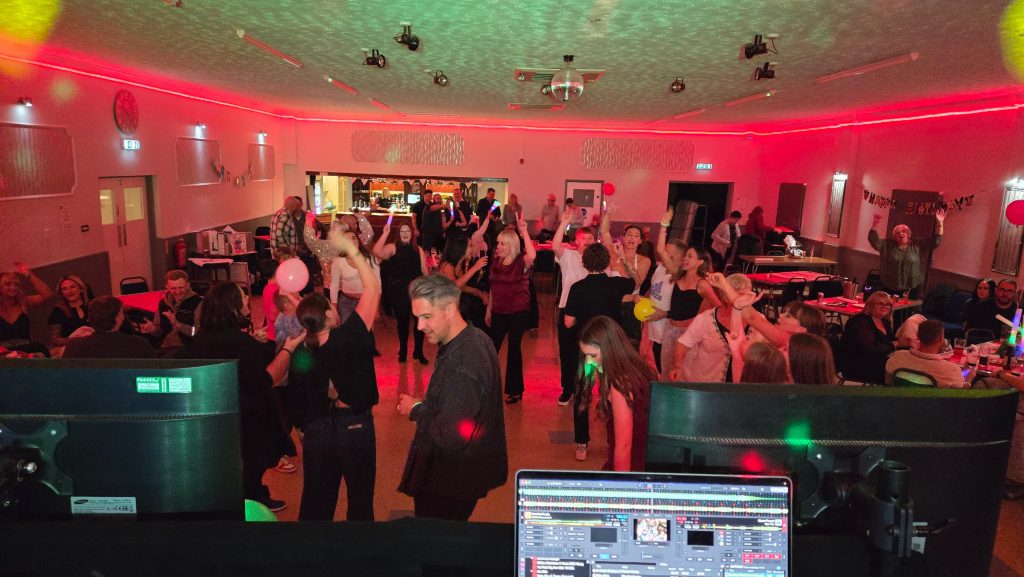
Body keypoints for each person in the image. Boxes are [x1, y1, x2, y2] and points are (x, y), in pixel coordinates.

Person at [178, 282, 300, 512]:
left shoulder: (204, 338)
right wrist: (289, 348)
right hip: (246, 415)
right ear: (233, 306)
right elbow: (267, 379)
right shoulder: (240, 344)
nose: (247, 301)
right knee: (251, 464)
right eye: (244, 297)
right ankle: (253, 500)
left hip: (216, 411)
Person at [398, 274, 508, 520]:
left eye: (427, 317)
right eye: (417, 318)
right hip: (461, 475)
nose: (419, 326)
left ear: (450, 309)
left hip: (448, 481)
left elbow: (453, 433)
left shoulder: (464, 363)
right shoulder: (475, 337)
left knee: (436, 545)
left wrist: (416, 409)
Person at [290, 229, 380, 521]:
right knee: (360, 500)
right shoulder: (351, 336)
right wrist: (353, 252)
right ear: (328, 316)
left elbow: (296, 400)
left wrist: (306, 432)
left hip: (317, 432)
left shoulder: (303, 352)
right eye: (330, 306)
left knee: (317, 501)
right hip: (354, 429)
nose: (333, 306)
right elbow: (373, 290)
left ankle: (314, 558)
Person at [575, 316, 658, 472]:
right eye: (585, 355)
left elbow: (624, 445)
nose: (588, 361)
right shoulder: (633, 366)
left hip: (632, 466)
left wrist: (620, 485)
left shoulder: (620, 383)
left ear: (609, 349)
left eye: (592, 355)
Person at [486, 217, 536, 404]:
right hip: (499, 310)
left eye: (502, 243)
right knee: (492, 348)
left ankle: (515, 390)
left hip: (517, 311)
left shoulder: (520, 261)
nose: (497, 246)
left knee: (514, 349)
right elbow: (493, 287)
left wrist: (524, 231)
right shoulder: (496, 261)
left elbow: (532, 256)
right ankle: (487, 385)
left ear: (511, 245)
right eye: (498, 242)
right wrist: (489, 309)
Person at [552, 209, 598, 405]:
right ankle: (567, 388)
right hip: (567, 310)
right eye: (583, 238)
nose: (587, 241)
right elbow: (555, 246)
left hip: (589, 313)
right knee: (567, 352)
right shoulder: (569, 256)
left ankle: (585, 389)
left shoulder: (599, 261)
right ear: (576, 241)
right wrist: (563, 223)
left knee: (588, 354)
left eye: (590, 238)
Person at [668, 274, 750, 383]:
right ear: (725, 295)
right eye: (741, 295)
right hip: (707, 385)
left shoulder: (756, 321)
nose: (747, 299)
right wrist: (677, 367)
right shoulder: (706, 319)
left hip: (741, 388)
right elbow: (682, 344)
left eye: (749, 295)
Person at [660, 244, 720, 378]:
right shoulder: (678, 277)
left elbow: (718, 307)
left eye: (690, 256)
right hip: (670, 329)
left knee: (684, 373)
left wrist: (700, 320)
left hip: (688, 333)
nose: (685, 259)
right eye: (685, 255)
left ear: (700, 262)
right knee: (666, 371)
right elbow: (661, 252)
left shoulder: (702, 284)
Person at [374, 222, 429, 364]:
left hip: (416, 292)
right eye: (402, 231)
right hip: (399, 292)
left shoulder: (419, 250)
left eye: (408, 231)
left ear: (412, 234)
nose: (405, 234)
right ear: (398, 234)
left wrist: (428, 288)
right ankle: (403, 350)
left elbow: (424, 271)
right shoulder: (393, 248)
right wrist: (385, 233)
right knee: (403, 322)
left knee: (419, 322)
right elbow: (376, 252)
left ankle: (418, 351)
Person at [868, 209, 946, 299]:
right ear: (894, 236)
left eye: (904, 231)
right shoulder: (887, 245)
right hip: (888, 287)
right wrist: (875, 224)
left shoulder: (917, 245)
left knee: (906, 312)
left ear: (909, 234)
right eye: (897, 232)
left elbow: (935, 242)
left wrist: (940, 223)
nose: (901, 234)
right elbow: (874, 241)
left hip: (911, 289)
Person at [601, 213, 651, 348]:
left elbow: (637, 282)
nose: (632, 238)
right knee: (609, 345)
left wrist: (623, 258)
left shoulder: (644, 260)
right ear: (623, 238)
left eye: (636, 236)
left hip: (631, 307)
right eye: (629, 234)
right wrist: (608, 213)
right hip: (612, 305)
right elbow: (604, 232)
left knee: (631, 347)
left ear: (640, 241)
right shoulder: (613, 253)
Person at [885, 320, 972, 388]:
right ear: (941, 338)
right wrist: (968, 379)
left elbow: (888, 382)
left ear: (918, 336)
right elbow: (958, 397)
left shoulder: (897, 356)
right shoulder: (952, 370)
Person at [62, 296, 154, 359]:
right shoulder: (139, 344)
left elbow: (64, 374)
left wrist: (71, 339)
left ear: (90, 319)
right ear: (118, 318)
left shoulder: (74, 346)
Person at [838, 291, 896, 384]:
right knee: (894, 373)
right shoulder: (860, 321)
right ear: (871, 305)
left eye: (888, 304)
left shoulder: (885, 322)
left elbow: (890, 340)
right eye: (880, 303)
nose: (884, 307)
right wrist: (894, 345)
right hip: (857, 364)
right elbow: (870, 349)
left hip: (874, 359)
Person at [138, 270, 202, 348]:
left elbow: (198, 334)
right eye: (173, 288)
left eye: (181, 287)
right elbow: (159, 334)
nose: (177, 292)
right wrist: (153, 330)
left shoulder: (198, 302)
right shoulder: (163, 303)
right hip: (165, 347)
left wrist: (178, 324)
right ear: (167, 287)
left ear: (188, 285)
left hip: (188, 348)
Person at [0, 264, 53, 356]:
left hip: (27, 347)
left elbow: (47, 294)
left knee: (40, 351)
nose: (13, 288)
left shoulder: (24, 302)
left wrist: (29, 275)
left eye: (16, 284)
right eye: (8, 284)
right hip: (4, 351)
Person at [48, 274, 91, 347]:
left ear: (81, 289)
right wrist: (75, 340)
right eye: (64, 289)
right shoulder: (57, 312)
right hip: (71, 349)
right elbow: (55, 340)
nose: (69, 291)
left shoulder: (92, 306)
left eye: (72, 287)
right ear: (62, 293)